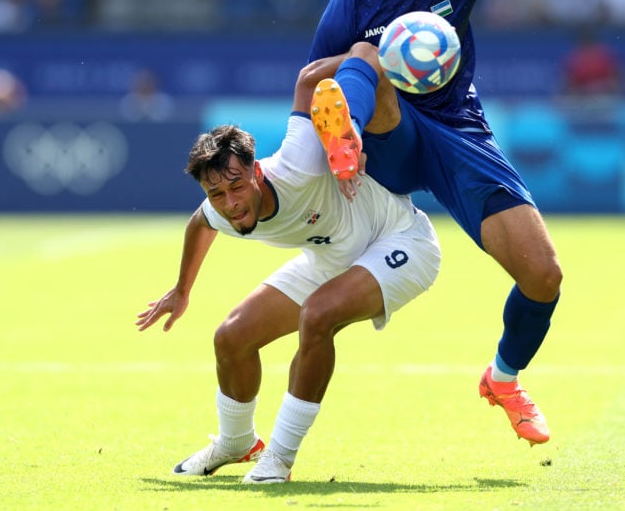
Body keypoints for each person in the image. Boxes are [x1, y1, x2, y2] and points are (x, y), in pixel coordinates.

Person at [308, 0, 625, 446]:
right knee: (364, 55)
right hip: (387, 135)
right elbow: (311, 76)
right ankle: (342, 140)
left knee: (544, 275)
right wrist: (368, 70)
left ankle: (503, 378)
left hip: (459, 131)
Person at [136, 51, 441, 483]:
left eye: (237, 186)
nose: (231, 202)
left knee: (318, 315)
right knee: (232, 337)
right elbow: (200, 223)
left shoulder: (299, 161)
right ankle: (237, 441)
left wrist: (368, 56)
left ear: (256, 172)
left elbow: (307, 80)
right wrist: (182, 289)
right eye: (217, 193)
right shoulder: (220, 207)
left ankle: (279, 457)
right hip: (331, 258)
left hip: (401, 242)